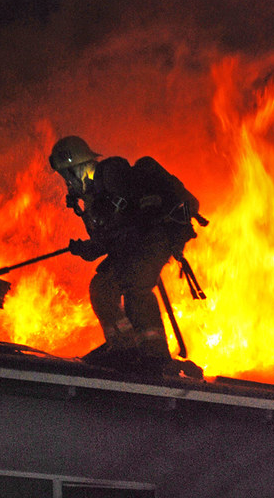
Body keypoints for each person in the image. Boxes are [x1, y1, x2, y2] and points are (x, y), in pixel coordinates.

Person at [49, 135, 203, 378]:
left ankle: (147, 354)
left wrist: (129, 226)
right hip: (134, 246)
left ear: (76, 166)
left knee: (132, 288)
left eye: (66, 175)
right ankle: (130, 349)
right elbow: (110, 236)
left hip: (154, 237)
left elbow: (139, 214)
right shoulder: (91, 198)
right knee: (107, 288)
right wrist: (87, 249)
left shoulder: (111, 173)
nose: (66, 182)